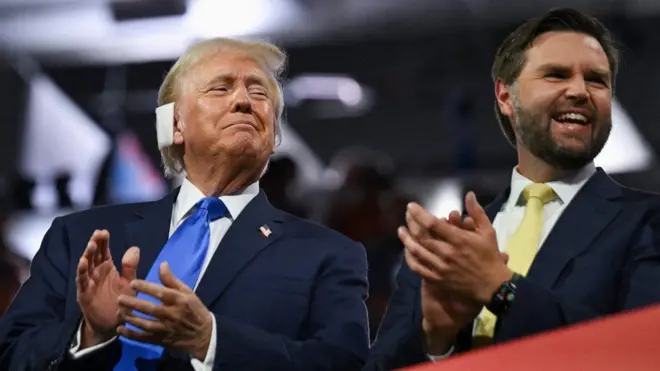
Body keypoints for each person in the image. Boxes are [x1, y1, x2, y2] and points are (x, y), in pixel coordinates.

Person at [0, 38, 370, 371]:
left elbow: (342, 364)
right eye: (220, 88)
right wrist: (88, 333)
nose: (243, 100)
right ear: (176, 125)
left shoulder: (328, 255)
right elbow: (12, 355)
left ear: (273, 135)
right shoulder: (80, 237)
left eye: (259, 94)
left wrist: (211, 341)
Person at [365, 8, 660, 370]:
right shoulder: (445, 250)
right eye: (557, 75)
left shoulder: (648, 224)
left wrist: (500, 290)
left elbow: (640, 352)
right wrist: (436, 340)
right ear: (506, 97)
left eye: (598, 80)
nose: (581, 91)